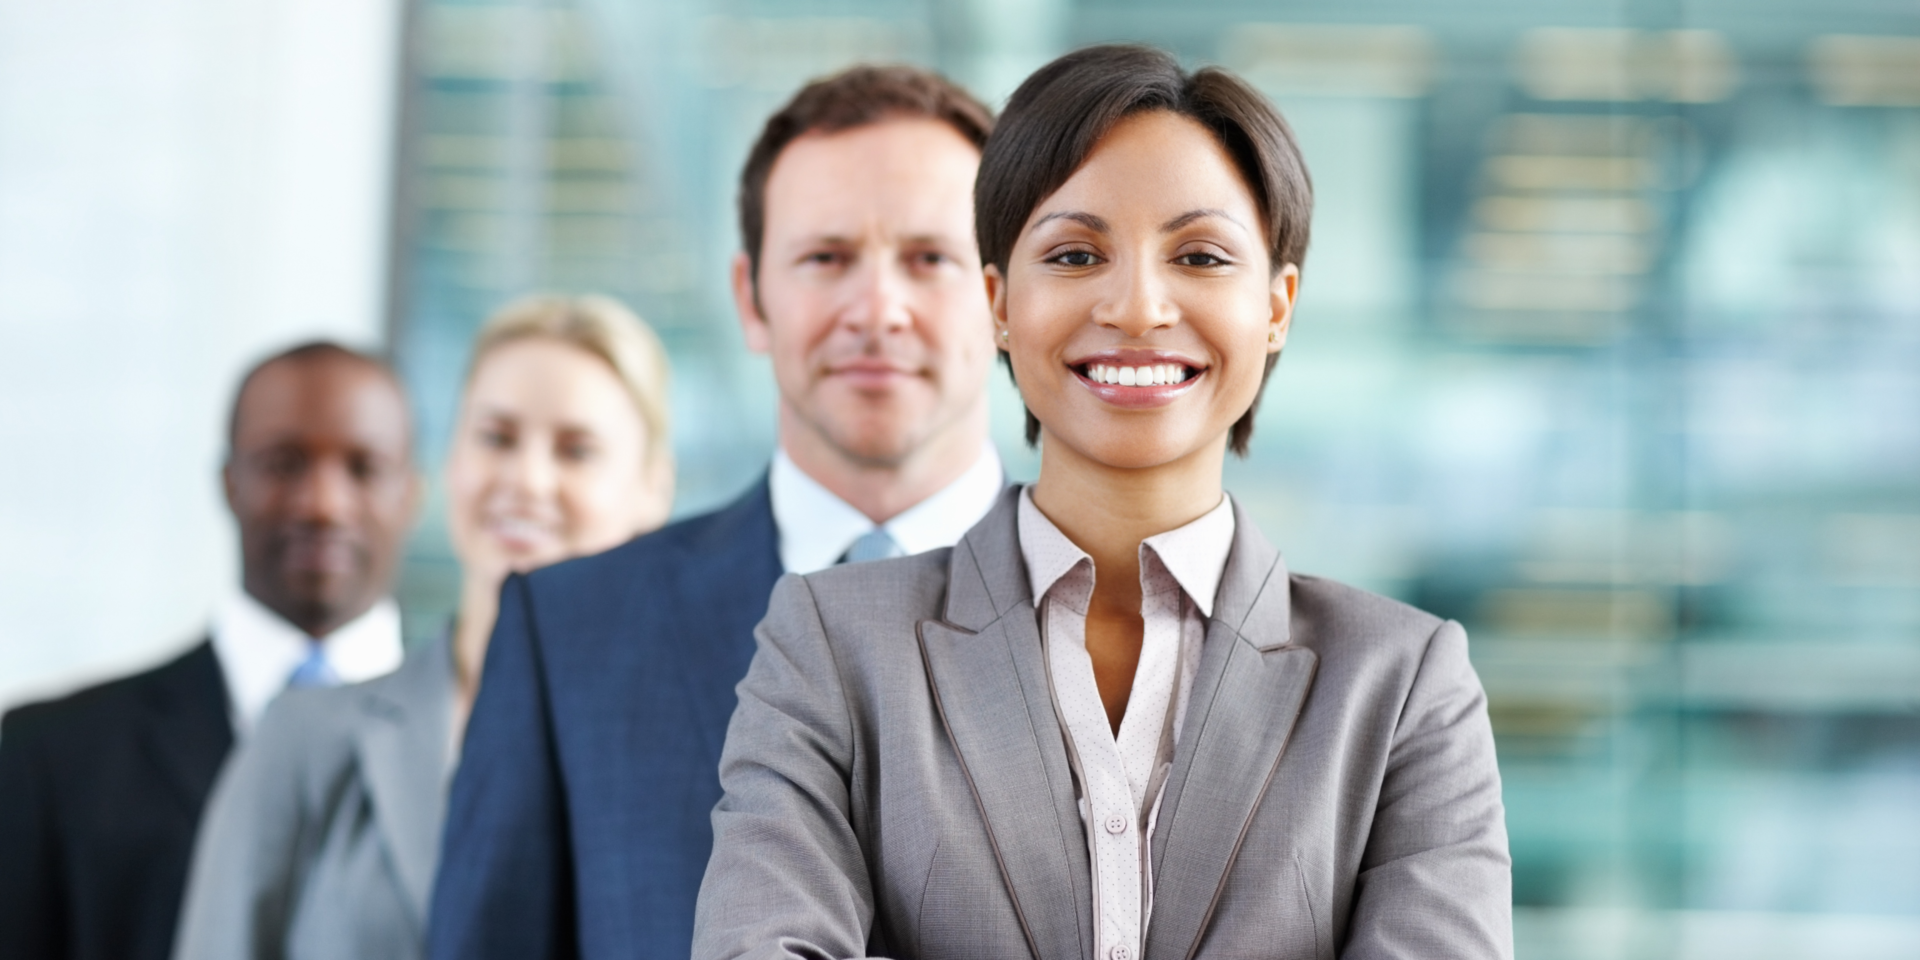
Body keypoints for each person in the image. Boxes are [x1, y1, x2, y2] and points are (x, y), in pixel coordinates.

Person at [693, 45, 1513, 960]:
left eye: (1199, 256)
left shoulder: (1402, 688)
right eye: (1077, 254)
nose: (1136, 306)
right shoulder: (833, 647)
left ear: (1277, 306)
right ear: (1000, 302)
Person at [426, 66, 1006, 960]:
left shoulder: (1129, 621)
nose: (878, 309)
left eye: (929, 259)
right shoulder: (567, 630)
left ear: (1006, 296)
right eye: (827, 258)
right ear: (750, 299)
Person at [171, 295, 676, 960]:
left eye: (575, 450)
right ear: (449, 465)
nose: (525, 479)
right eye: (495, 438)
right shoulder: (304, 740)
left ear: (652, 490)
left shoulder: (712, 755)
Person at [0, 343, 418, 960]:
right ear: (229, 483)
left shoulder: (482, 748)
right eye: (284, 464)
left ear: (412, 492)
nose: (323, 504)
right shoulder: (50, 755)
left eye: (363, 467)